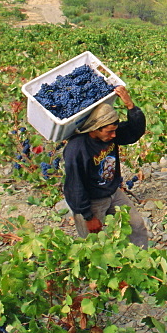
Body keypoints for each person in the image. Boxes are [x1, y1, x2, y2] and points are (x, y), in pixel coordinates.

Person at [62, 85, 149, 248]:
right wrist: (88, 216)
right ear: (94, 128)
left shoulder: (110, 135)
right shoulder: (77, 149)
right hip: (91, 201)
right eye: (109, 132)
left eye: (115, 131)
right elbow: (74, 186)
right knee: (94, 244)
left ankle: (141, 262)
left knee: (136, 226)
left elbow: (134, 132)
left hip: (112, 192)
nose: (114, 136)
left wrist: (130, 106)